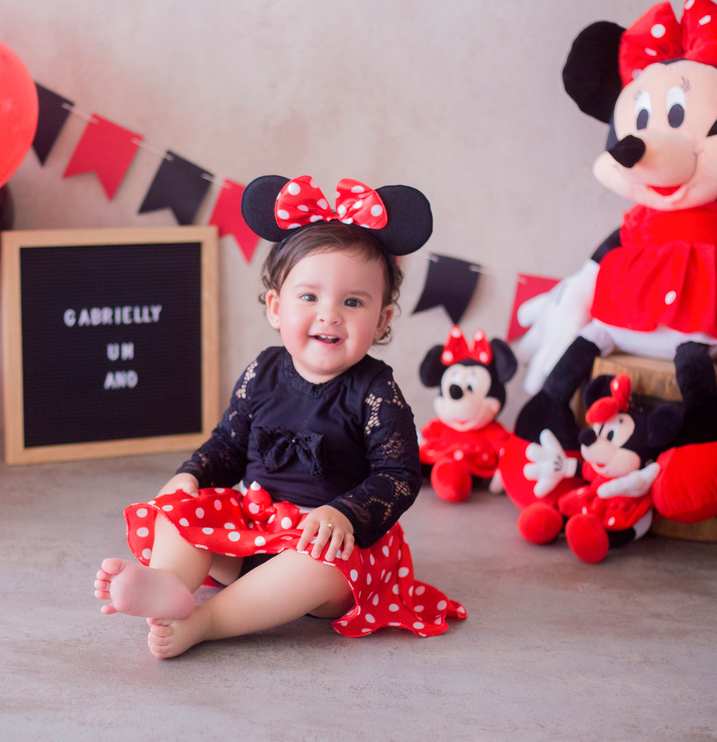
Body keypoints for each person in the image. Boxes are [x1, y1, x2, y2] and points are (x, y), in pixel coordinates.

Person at [93, 174, 465, 658]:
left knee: (317, 565)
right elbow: (227, 444)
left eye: (352, 302)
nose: (329, 314)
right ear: (275, 306)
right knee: (181, 510)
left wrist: (343, 514)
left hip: (328, 551)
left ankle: (207, 619)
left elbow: (399, 476)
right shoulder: (263, 371)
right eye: (309, 297)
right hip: (254, 531)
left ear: (382, 320)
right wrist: (189, 475)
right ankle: (168, 584)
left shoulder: (375, 391)